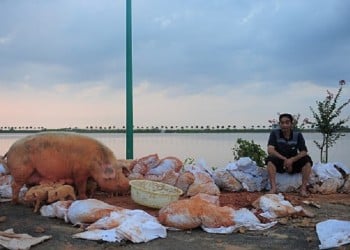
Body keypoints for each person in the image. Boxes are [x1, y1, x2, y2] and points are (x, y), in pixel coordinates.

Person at [266, 113, 313, 197]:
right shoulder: (274, 133)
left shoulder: (297, 134)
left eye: (287, 122)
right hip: (280, 161)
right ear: (279, 124)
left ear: (291, 124)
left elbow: (304, 151)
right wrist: (285, 159)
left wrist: (292, 160)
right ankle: (273, 188)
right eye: (282, 123)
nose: (284, 125)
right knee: (270, 159)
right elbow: (270, 150)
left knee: (307, 160)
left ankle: (303, 189)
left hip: (293, 162)